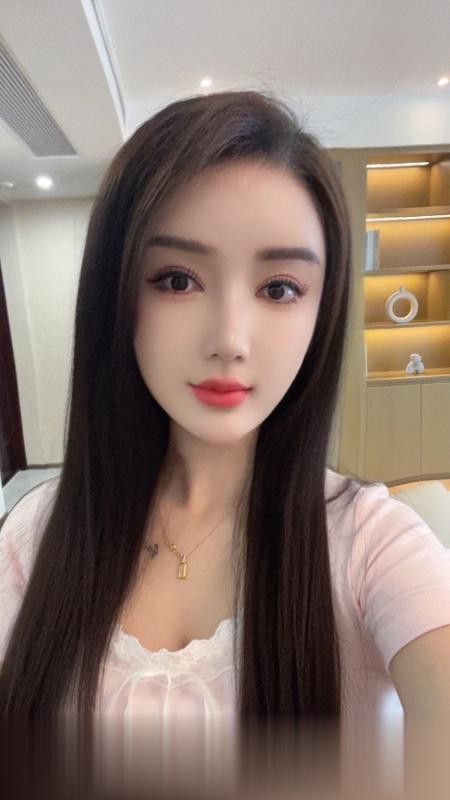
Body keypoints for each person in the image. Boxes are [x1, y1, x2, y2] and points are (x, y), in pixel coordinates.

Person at [1, 90, 450, 793]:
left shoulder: (370, 543)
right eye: (178, 280)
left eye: (280, 288)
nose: (230, 341)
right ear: (116, 293)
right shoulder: (37, 534)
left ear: (323, 309)